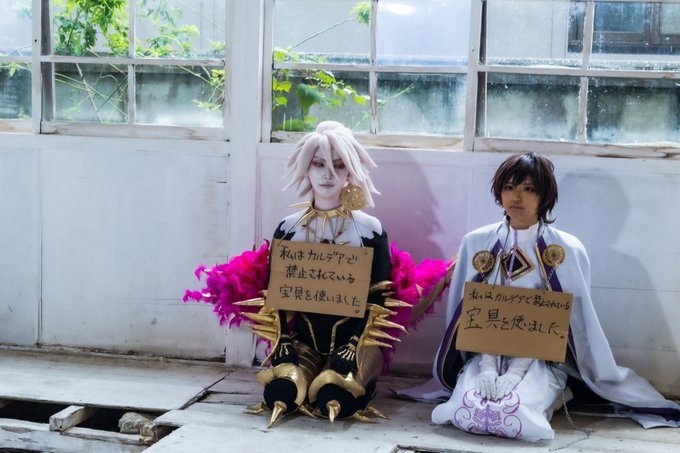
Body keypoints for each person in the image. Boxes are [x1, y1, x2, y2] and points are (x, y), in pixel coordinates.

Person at [430, 152, 680, 441]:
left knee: (513, 413)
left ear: (545, 196)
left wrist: (516, 371)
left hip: (540, 361)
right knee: (469, 411)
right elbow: (466, 315)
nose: (516, 197)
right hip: (485, 357)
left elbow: (575, 325)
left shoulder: (567, 249)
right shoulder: (476, 243)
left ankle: (562, 391)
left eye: (528, 189)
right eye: (509, 187)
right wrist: (486, 367)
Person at [247, 121, 396, 426]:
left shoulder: (369, 230)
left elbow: (380, 297)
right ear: (307, 169)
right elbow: (275, 291)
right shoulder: (288, 228)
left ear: (349, 172)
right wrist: (283, 339)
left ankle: (352, 377)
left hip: (354, 343)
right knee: (282, 392)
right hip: (303, 341)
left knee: (336, 394)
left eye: (338, 165)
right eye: (319, 164)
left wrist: (354, 344)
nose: (328, 174)